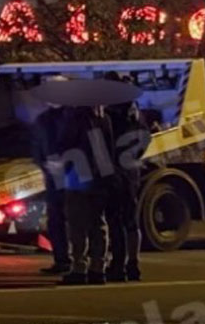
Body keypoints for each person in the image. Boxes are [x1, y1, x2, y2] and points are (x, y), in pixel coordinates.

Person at [52, 105, 115, 285]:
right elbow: (109, 149)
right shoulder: (104, 118)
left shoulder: (75, 118)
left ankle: (79, 268)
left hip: (78, 176)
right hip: (99, 177)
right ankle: (98, 268)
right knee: (98, 223)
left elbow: (65, 145)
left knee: (77, 224)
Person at [104, 99, 149, 281]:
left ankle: (118, 265)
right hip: (131, 174)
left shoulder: (110, 118)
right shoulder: (137, 118)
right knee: (131, 221)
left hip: (115, 175)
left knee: (115, 222)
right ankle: (133, 264)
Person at [30, 103, 69, 273]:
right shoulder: (43, 120)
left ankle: (74, 261)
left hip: (70, 177)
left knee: (72, 221)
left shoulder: (72, 117)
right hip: (54, 178)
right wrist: (44, 165)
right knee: (56, 220)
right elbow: (37, 146)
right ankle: (62, 260)